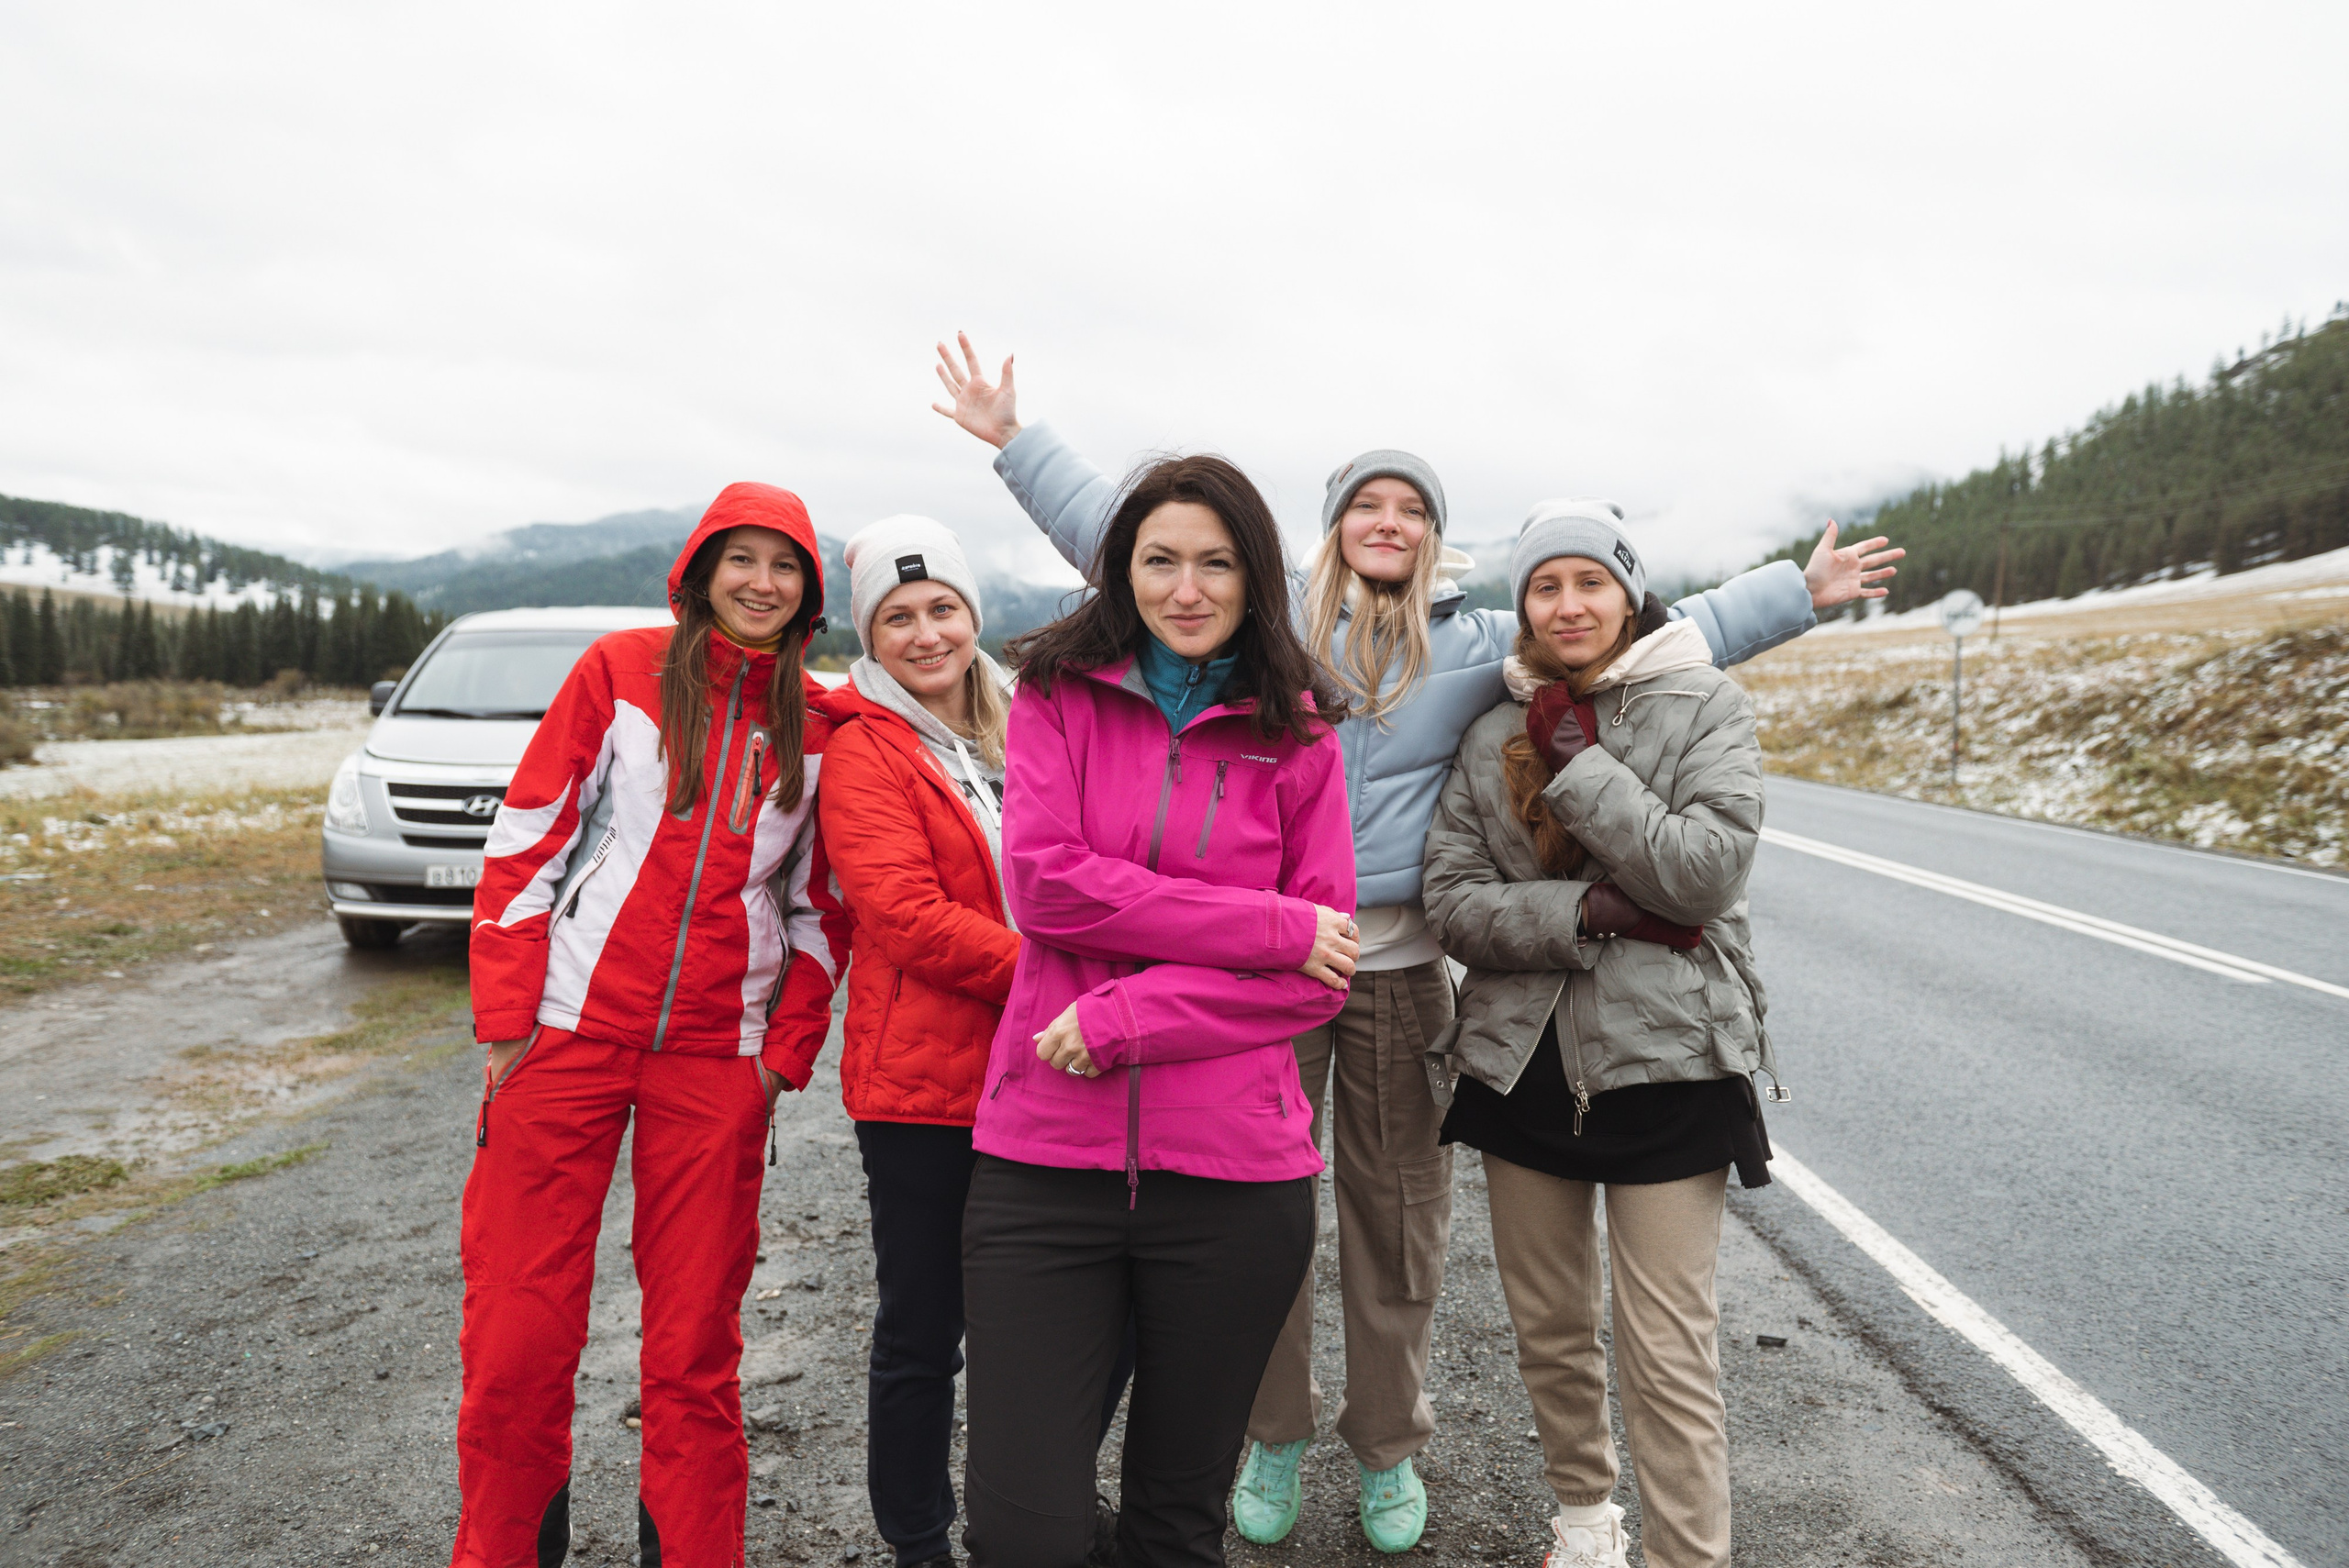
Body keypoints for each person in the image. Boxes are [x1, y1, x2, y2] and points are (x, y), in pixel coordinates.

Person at [932, 336, 1898, 1551]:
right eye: (1366, 503)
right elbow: (1122, 535)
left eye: (1412, 508)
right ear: (1333, 527)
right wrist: (1016, 441)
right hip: (1249, 969)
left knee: (1396, 1231)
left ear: (1434, 538)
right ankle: (1273, 1431)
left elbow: (1643, 623)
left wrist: (1795, 593)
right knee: (1255, 1226)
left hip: (1393, 973)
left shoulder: (1480, 645)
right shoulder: (1268, 623)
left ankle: (1387, 1445)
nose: (1388, 521)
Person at [959, 453, 1360, 1568]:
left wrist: (1123, 1018)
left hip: (1234, 1180)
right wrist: (1264, 923)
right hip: (1044, 1163)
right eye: (1160, 561)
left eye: (1215, 563)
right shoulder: (1054, 692)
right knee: (1020, 1534)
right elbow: (1046, 886)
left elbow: (1320, 973)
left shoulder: (1301, 732)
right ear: (1122, 572)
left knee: (1175, 1531)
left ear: (1255, 576)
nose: (1187, 589)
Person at [455, 483, 850, 1568]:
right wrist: (509, 1018)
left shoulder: (821, 725)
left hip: (718, 1060)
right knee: (517, 1329)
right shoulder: (619, 670)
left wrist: (780, 1056)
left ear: (809, 590)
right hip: (567, 1033)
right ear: (700, 570)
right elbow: (526, 839)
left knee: (693, 1342)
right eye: (741, 558)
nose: (761, 581)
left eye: (785, 564)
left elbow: (822, 911)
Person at [1419, 500, 1778, 1568]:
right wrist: (1588, 911)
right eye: (1545, 585)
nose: (1568, 604)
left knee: (1667, 1345)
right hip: (1520, 1064)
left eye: (1590, 581)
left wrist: (1576, 764)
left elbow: (1704, 874)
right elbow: (1452, 901)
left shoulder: (1705, 701)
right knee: (1549, 1324)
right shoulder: (1487, 728)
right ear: (1523, 603)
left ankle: (1686, 1556)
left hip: (1673, 1062)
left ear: (1629, 592)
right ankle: (1584, 1520)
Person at [815, 514, 1020, 1568]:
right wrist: (1066, 978)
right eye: (898, 616)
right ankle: (916, 1533)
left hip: (1041, 1072)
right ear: (870, 634)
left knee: (1049, 1317)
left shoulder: (1026, 723)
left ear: (973, 613)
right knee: (923, 1326)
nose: (926, 632)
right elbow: (904, 917)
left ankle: (1024, 1513)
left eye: (942, 606)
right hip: (923, 1087)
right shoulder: (864, 748)